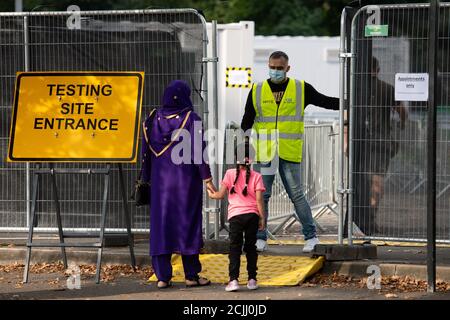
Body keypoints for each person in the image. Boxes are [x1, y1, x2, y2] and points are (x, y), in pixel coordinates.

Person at [240, 51, 339, 253]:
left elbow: (326, 101)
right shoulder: (257, 89)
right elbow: (247, 121)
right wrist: (244, 149)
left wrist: (349, 101)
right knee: (262, 196)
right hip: (264, 152)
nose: (275, 71)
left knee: (297, 195)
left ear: (287, 68)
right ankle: (260, 237)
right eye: (272, 67)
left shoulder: (301, 88)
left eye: (279, 68)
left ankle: (310, 237)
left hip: (289, 151)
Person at [141, 80, 216, 289]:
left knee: (161, 227)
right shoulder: (192, 119)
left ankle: (163, 277)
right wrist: (207, 178)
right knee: (188, 225)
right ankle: (191, 276)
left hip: (160, 186)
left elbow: (145, 153)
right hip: (186, 184)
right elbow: (198, 151)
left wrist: (145, 179)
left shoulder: (151, 119)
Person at [344, 56, 406, 237]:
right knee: (377, 182)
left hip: (359, 143)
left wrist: (346, 141)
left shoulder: (355, 89)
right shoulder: (387, 88)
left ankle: (360, 221)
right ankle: (370, 219)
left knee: (359, 182)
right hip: (381, 143)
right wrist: (401, 124)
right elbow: (401, 112)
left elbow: (347, 117)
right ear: (377, 70)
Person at [207, 142, 265, 292]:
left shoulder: (229, 174)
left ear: (235, 158)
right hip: (252, 215)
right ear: (251, 159)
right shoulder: (257, 176)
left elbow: (220, 195)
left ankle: (233, 280)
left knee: (235, 248)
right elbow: (259, 200)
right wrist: (262, 218)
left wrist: (211, 192)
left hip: (235, 217)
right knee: (250, 247)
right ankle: (252, 279)